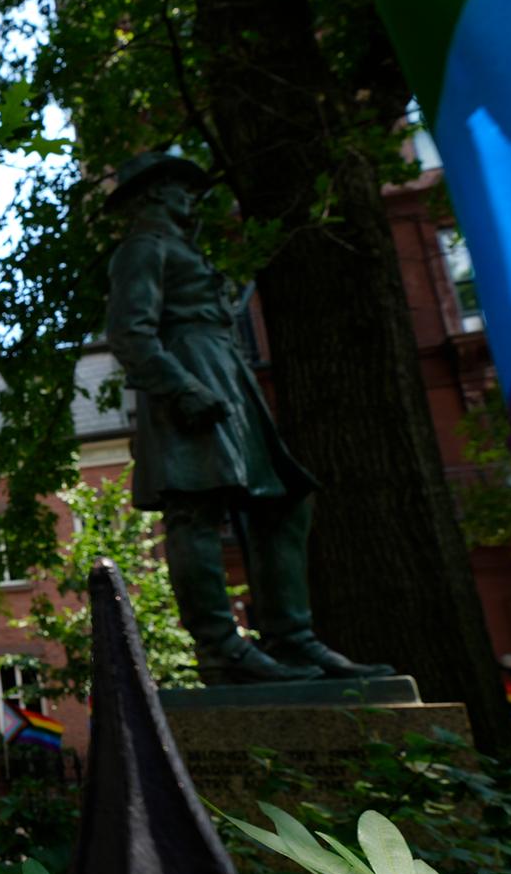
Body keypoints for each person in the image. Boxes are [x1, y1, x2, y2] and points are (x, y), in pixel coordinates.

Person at [105, 153, 394, 684]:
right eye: (179, 187)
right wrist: (180, 386)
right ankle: (220, 647)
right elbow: (129, 332)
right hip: (191, 371)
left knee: (284, 500)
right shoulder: (144, 248)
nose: (190, 197)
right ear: (153, 194)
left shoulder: (178, 246)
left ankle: (292, 638)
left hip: (226, 373)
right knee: (195, 508)